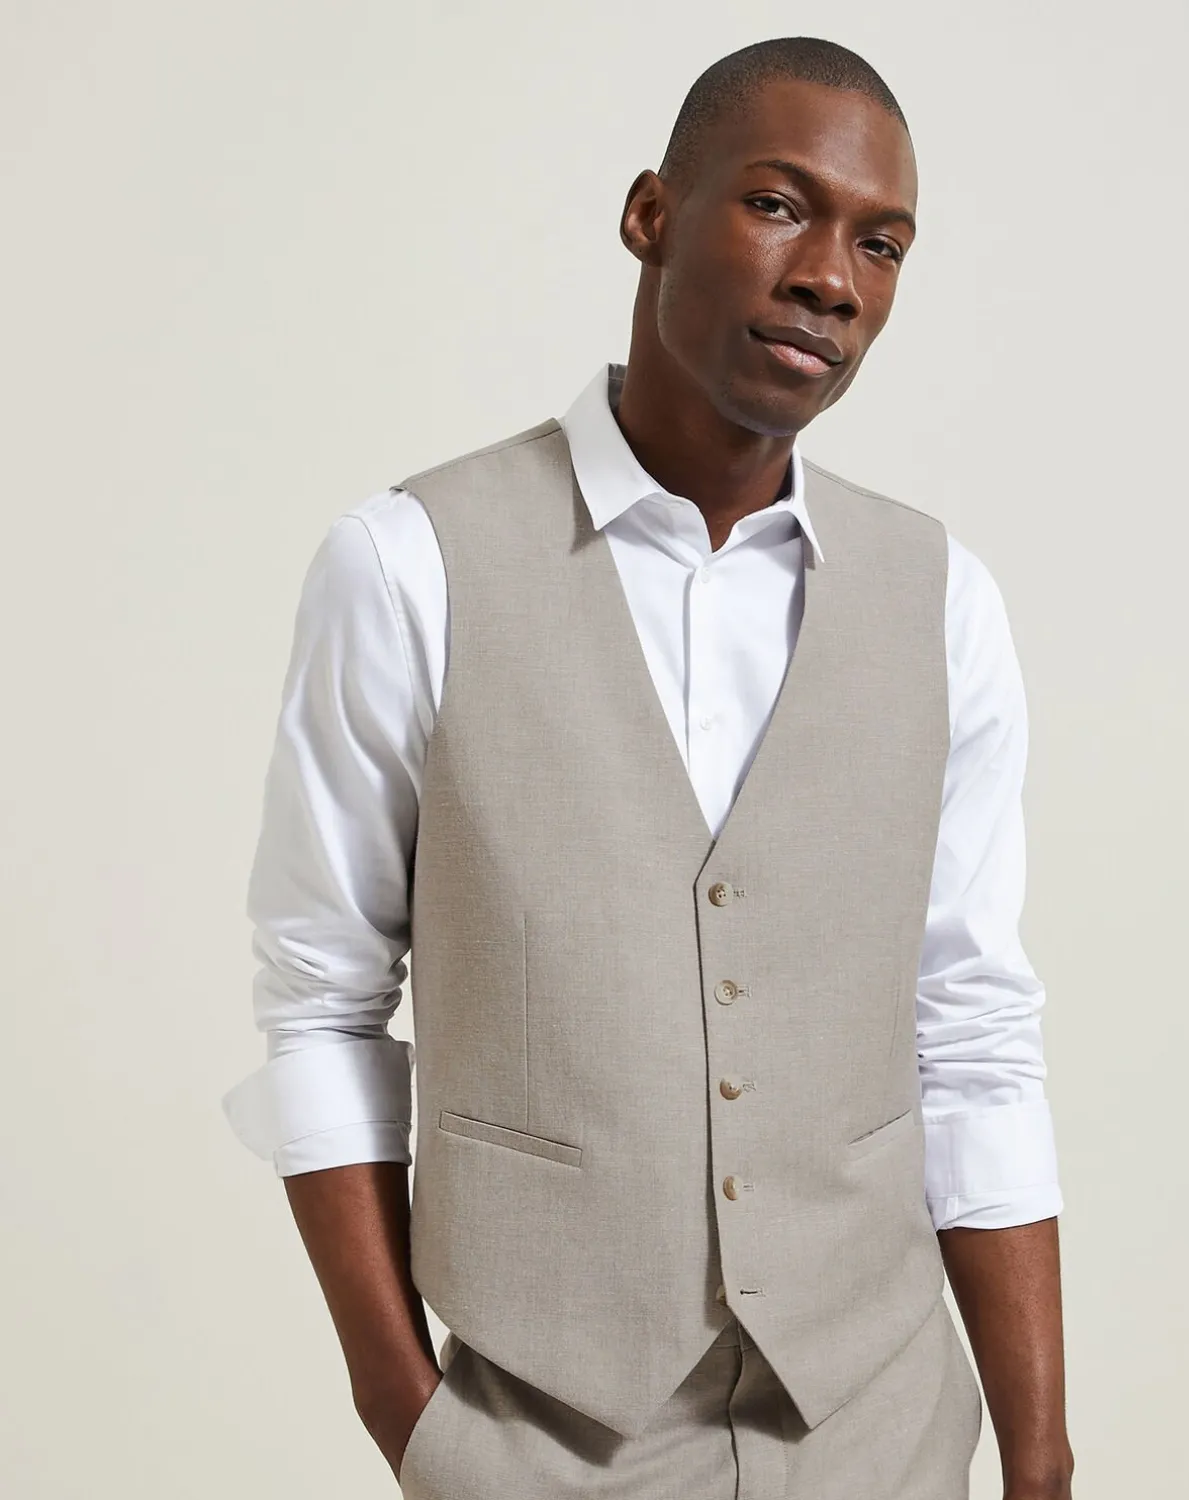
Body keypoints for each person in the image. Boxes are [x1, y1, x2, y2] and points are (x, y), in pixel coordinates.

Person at [222, 34, 1074, 1500]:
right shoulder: (411, 565)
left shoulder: (942, 602)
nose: (833, 279)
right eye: (779, 205)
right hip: (540, 1437)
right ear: (651, 214)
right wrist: (412, 1418)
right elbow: (321, 1000)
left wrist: (1039, 1457)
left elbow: (973, 1027)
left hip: (884, 1429)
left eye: (881, 244)